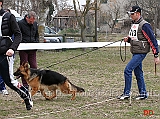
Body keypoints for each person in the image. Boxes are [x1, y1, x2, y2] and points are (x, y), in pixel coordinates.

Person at [118, 6, 159, 100]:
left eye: (132, 14)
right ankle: (143, 93)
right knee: (138, 73)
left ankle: (126, 93)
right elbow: (136, 38)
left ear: (138, 14)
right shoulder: (134, 23)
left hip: (141, 52)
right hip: (135, 51)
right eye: (130, 14)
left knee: (127, 70)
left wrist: (156, 54)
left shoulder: (145, 25)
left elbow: (152, 40)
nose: (131, 15)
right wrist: (128, 40)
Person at [0, 0, 33, 110]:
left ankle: (26, 96)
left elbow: (18, 35)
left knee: (9, 81)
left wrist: (12, 48)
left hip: (5, 53)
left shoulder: (9, 17)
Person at [18, 11, 39, 90]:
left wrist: (36, 43)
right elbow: (18, 35)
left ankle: (35, 83)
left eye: (33, 21)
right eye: (31, 21)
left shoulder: (35, 24)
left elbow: (37, 35)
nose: (32, 22)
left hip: (32, 49)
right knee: (24, 67)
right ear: (27, 18)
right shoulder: (20, 23)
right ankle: (25, 84)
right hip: (23, 48)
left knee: (34, 66)